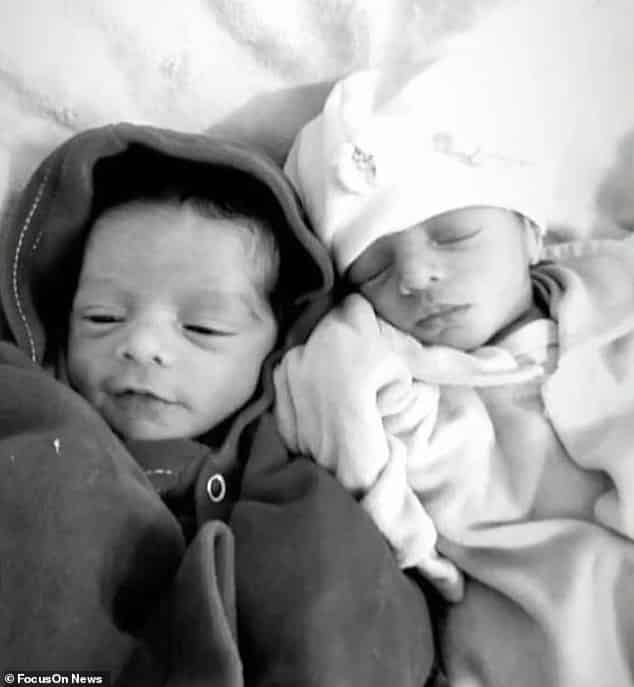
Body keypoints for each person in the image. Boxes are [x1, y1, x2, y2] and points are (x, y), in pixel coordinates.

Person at [0, 123, 436, 685]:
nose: (142, 345)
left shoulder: (292, 491)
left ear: (277, 345)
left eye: (204, 327)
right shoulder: (30, 409)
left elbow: (361, 629)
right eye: (102, 317)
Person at [276, 54, 634, 687]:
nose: (415, 277)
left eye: (454, 236)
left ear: (529, 233)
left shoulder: (613, 298)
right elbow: (322, 390)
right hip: (537, 639)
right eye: (374, 270)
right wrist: (416, 550)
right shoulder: (405, 388)